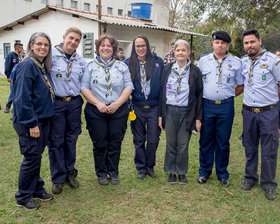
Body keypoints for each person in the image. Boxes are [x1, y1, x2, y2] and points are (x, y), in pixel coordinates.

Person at [81, 34, 133, 185]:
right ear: (98, 48)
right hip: (97, 110)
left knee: (115, 142)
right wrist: (98, 103)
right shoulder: (89, 66)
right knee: (100, 142)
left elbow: (128, 86)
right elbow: (84, 87)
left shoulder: (122, 66)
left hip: (118, 110)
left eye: (109, 46)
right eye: (102, 45)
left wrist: (117, 104)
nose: (105, 48)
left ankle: (113, 171)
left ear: (114, 49)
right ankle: (101, 172)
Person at [12, 32, 55, 210]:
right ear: (31, 45)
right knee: (31, 158)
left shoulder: (41, 65)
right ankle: (23, 196)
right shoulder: (28, 65)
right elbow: (22, 98)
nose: (43, 47)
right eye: (39, 44)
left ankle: (36, 188)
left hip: (43, 120)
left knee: (36, 157)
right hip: (31, 122)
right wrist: (31, 123)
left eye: (46, 44)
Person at [198, 31, 244, 187]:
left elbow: (240, 85)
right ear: (213, 44)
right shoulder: (203, 61)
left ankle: (222, 173)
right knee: (205, 140)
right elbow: (199, 85)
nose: (220, 45)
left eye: (223, 43)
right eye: (217, 42)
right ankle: (204, 171)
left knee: (223, 141)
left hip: (226, 106)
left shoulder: (236, 62)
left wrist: (228, 96)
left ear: (227, 45)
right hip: (207, 105)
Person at [241, 29, 280, 200]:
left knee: (269, 149)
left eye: (252, 42)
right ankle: (250, 178)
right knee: (249, 147)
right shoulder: (243, 62)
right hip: (248, 112)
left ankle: (269, 183)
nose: (249, 46)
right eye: (246, 43)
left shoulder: (273, 61)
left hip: (268, 112)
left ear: (259, 41)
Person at [158, 39, 203, 184]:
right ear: (174, 52)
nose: (180, 53)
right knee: (171, 143)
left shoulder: (195, 71)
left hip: (187, 112)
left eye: (184, 50)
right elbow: (161, 93)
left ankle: (182, 172)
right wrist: (160, 115)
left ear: (188, 52)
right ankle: (171, 171)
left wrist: (198, 118)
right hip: (170, 110)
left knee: (183, 144)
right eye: (178, 50)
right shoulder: (167, 69)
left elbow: (199, 95)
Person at [48, 27, 86, 194]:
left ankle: (70, 173)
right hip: (57, 103)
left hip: (75, 104)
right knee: (56, 141)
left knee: (71, 140)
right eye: (71, 38)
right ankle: (58, 177)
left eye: (77, 40)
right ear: (64, 37)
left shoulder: (80, 61)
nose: (73, 42)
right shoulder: (51, 56)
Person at [125, 35, 164, 179]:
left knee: (153, 139)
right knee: (139, 139)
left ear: (147, 46)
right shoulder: (128, 63)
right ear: (134, 48)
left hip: (154, 107)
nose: (140, 49)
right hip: (137, 107)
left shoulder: (157, 61)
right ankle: (141, 167)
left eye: (143, 45)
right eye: (137, 46)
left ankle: (150, 166)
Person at [4, 42, 23, 113]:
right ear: (17, 48)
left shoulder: (20, 56)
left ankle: (14, 109)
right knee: (13, 93)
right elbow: (7, 66)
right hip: (12, 77)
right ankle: (8, 107)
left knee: (15, 93)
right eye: (21, 48)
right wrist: (8, 76)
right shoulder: (11, 55)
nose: (22, 49)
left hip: (18, 77)